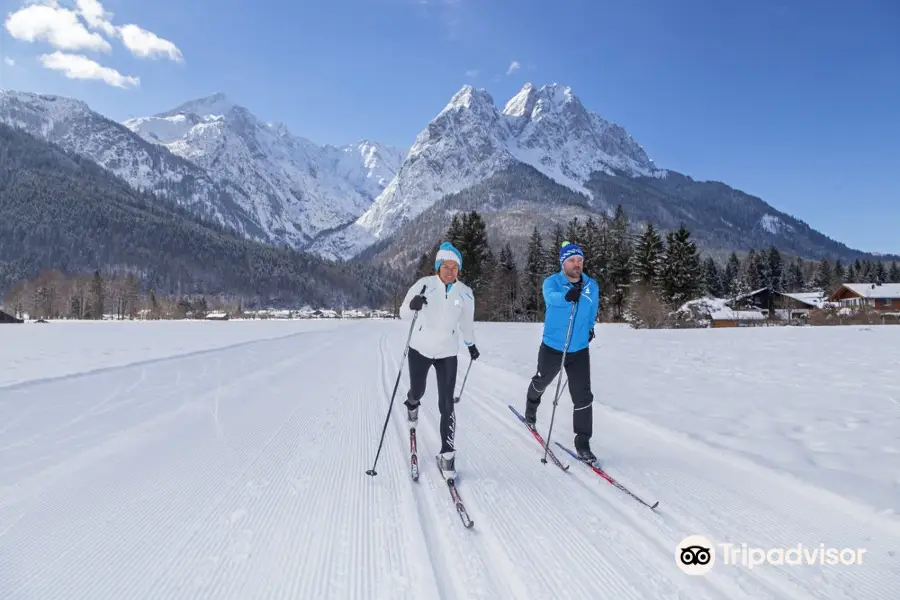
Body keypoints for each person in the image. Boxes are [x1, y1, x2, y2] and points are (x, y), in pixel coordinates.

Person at [399, 241, 480, 480]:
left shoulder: (465, 293)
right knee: (418, 390)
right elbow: (404, 312)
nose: (450, 271)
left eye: (455, 267)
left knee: (447, 403)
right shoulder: (424, 285)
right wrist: (413, 305)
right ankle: (412, 404)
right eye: (446, 266)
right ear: (438, 266)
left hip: (447, 353)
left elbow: (466, 323)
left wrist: (471, 344)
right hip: (420, 349)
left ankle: (447, 455)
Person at [523, 240, 600, 463]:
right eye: (572, 261)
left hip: (579, 349)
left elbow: (592, 309)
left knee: (583, 396)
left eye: (580, 260)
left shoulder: (591, 286)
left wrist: (589, 329)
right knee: (541, 381)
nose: (577, 264)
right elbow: (551, 299)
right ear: (563, 263)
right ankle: (531, 406)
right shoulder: (553, 282)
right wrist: (567, 297)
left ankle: (583, 442)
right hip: (553, 346)